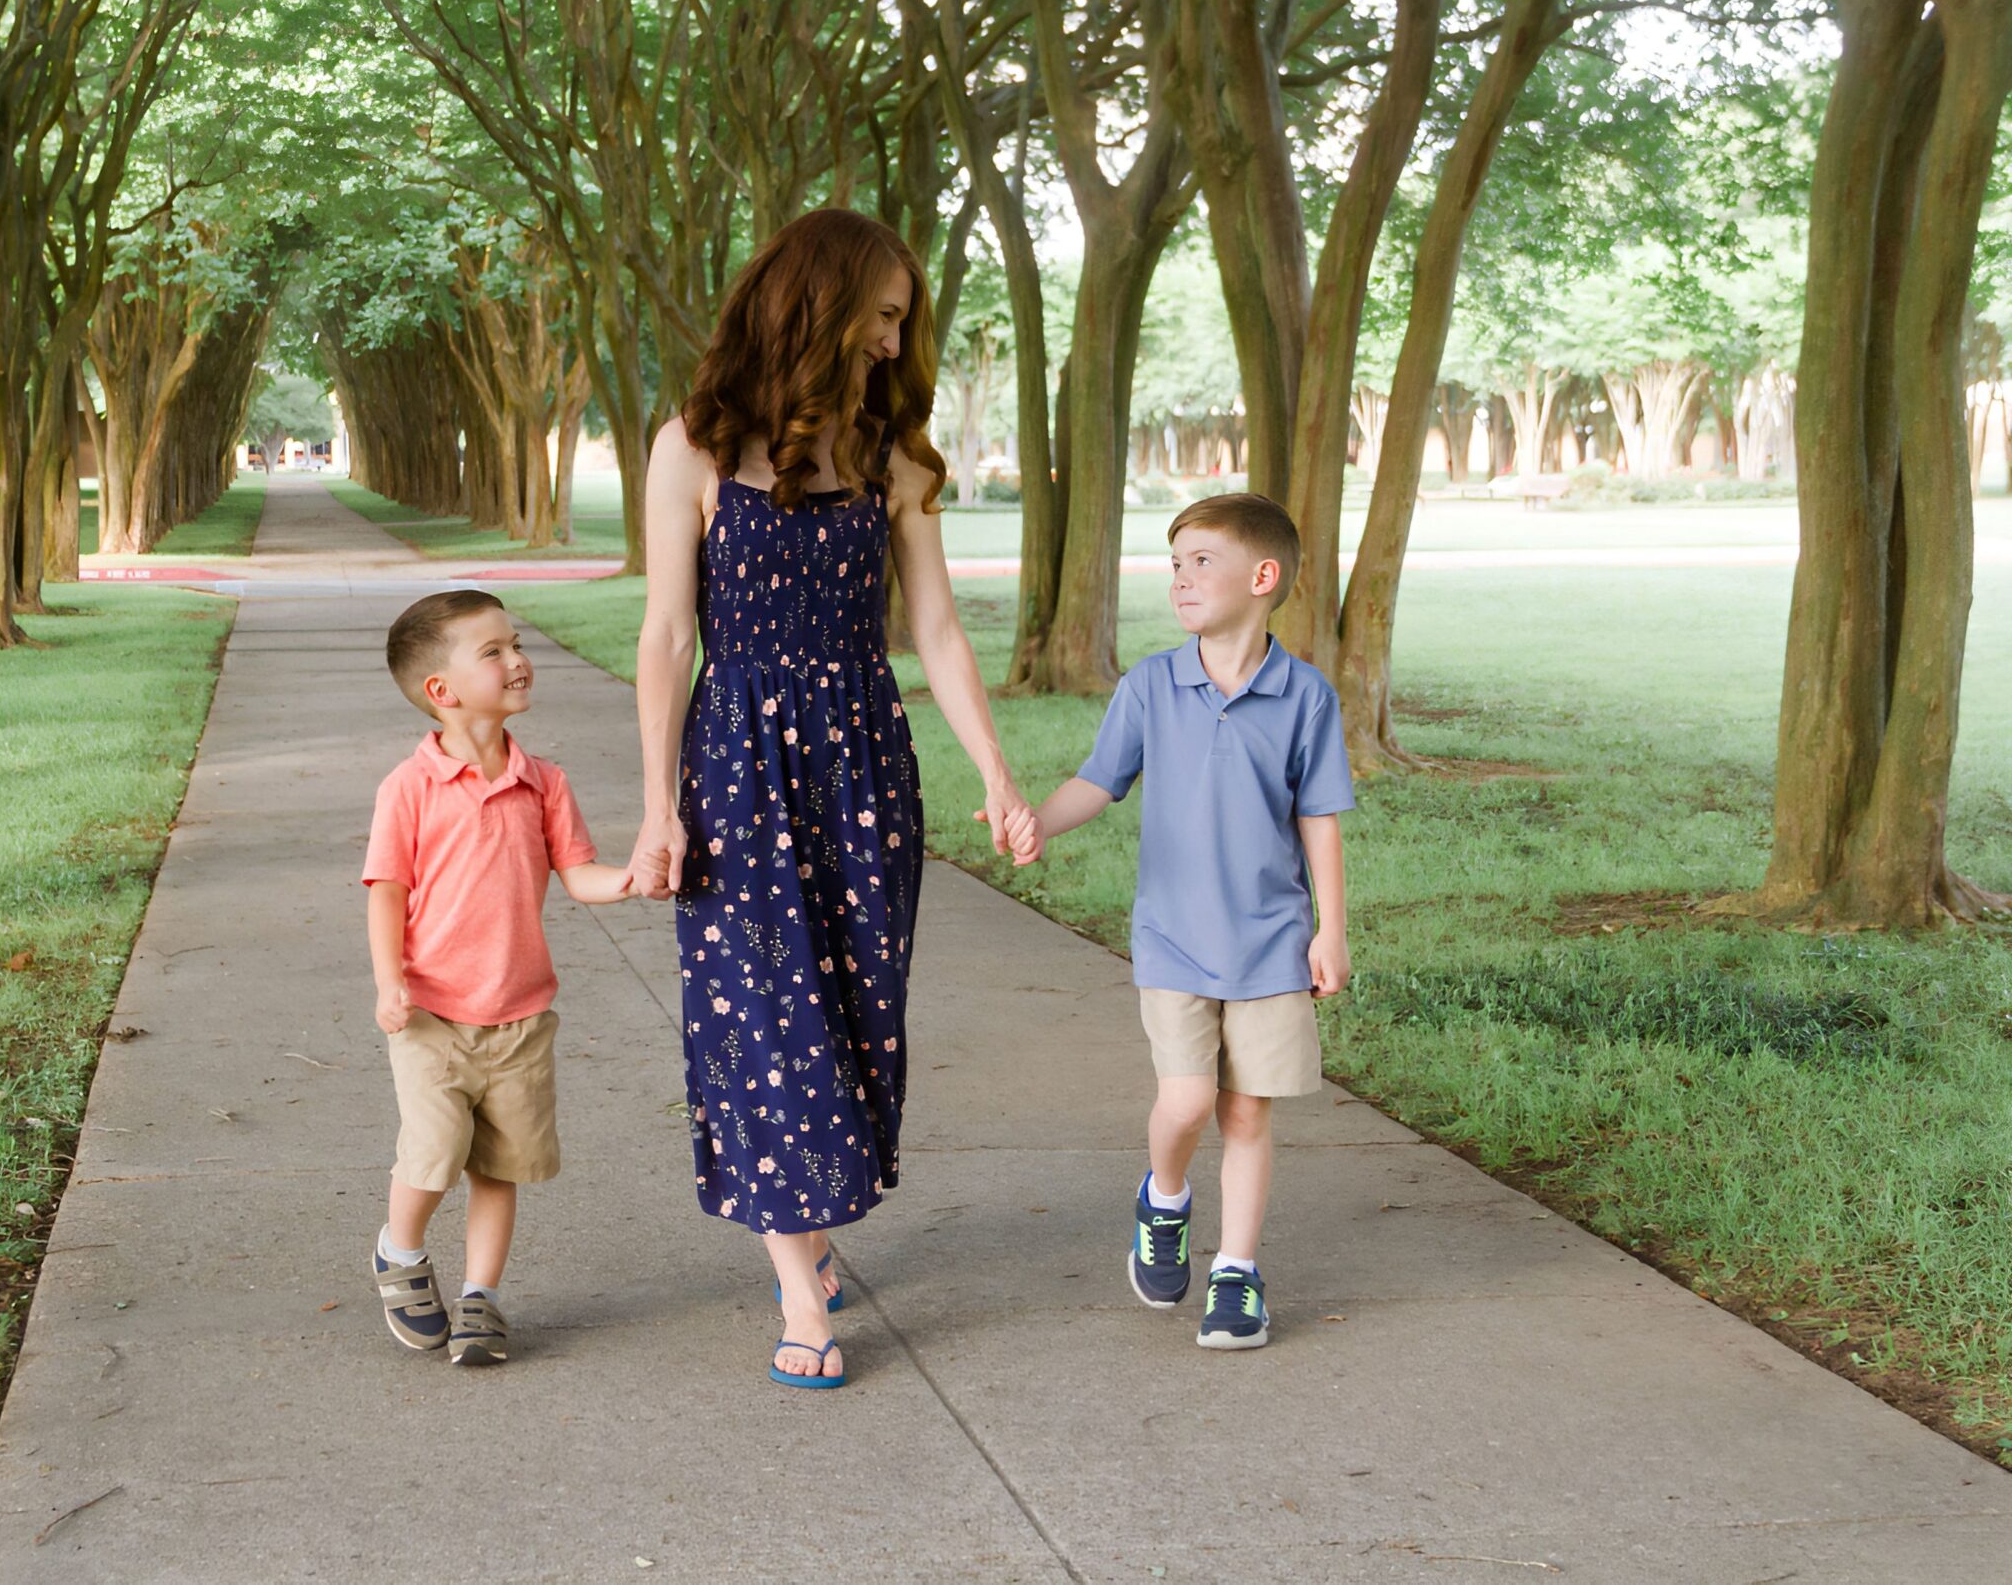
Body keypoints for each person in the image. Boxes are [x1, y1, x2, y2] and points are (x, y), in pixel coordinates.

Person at [630, 206, 1039, 1390]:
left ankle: (806, 1219)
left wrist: (997, 773)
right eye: (883, 313)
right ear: (818, 301)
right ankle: (800, 1286)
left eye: (903, 322)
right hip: (739, 768)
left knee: (857, 1014)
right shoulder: (693, 451)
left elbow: (940, 632)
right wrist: (660, 802)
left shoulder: (893, 459)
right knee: (760, 1014)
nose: (891, 338)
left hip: (864, 762)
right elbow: (664, 635)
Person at [1031, 493, 1354, 1350]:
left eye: (1200, 562)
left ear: (1262, 577)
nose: (1180, 578)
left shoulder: (1305, 697)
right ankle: (1164, 1198)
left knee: (1247, 1114)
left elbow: (1318, 817)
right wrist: (1037, 820)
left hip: (1271, 943)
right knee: (1185, 1101)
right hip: (1172, 939)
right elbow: (1097, 782)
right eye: (1174, 564)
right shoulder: (1150, 685)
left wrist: (1331, 929)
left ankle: (1237, 1276)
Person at [362, 589, 635, 1366]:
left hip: (519, 1017)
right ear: (440, 692)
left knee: (498, 1165)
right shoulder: (409, 788)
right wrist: (390, 983)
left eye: (515, 643)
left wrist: (640, 877)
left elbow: (580, 876)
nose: (518, 659)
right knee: (436, 1145)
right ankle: (402, 1251)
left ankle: (481, 1296)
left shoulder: (543, 782)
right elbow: (388, 893)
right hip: (432, 1016)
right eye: (494, 651)